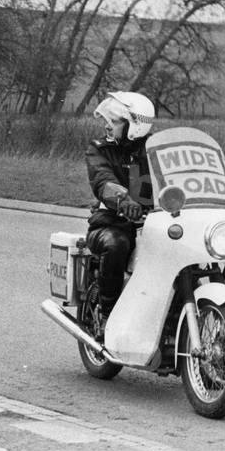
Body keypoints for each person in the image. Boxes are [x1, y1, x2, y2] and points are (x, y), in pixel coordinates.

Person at [84, 90, 156, 322]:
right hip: (111, 224)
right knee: (117, 245)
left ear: (134, 126)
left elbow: (182, 178)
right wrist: (125, 201)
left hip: (154, 224)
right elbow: (103, 180)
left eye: (114, 122)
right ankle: (108, 316)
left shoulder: (157, 150)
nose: (106, 126)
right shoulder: (100, 150)